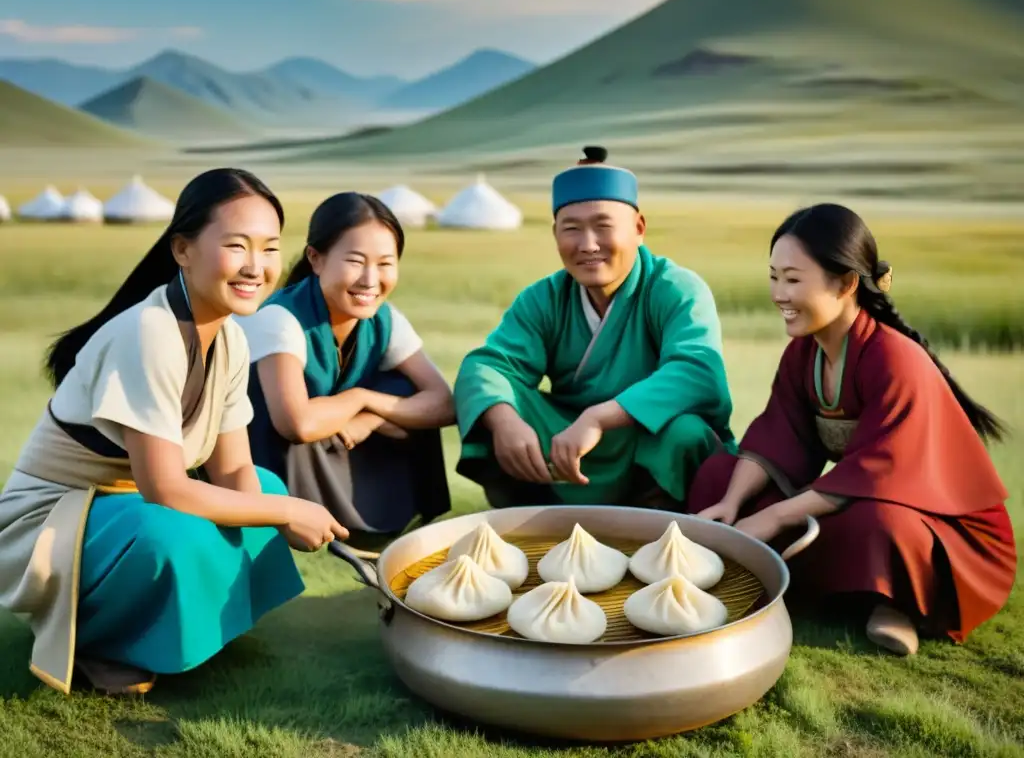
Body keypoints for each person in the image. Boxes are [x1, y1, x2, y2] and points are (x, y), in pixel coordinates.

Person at [0, 168, 348, 697]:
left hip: (125, 510)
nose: (257, 267)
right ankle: (101, 640)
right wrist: (287, 514)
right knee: (175, 531)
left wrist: (272, 512)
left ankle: (200, 619)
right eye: (237, 245)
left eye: (270, 248)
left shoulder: (229, 337)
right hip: (53, 523)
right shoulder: (148, 333)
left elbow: (232, 469)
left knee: (265, 486)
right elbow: (166, 488)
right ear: (182, 250)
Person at [688, 202, 1016, 656]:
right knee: (719, 473)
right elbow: (777, 435)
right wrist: (732, 502)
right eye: (774, 276)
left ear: (845, 284)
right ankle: (791, 577)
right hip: (855, 494)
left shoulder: (894, 358)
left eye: (793, 279)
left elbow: (878, 472)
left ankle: (895, 602)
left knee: (879, 522)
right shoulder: (805, 353)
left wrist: (774, 516)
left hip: (933, 525)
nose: (778, 293)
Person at [453, 146, 735, 508]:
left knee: (686, 433)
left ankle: (664, 533)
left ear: (638, 228)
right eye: (572, 229)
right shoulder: (545, 298)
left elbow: (698, 371)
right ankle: (534, 525)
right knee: (496, 403)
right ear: (555, 233)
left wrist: (600, 418)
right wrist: (505, 420)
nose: (588, 245)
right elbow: (487, 366)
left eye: (603, 227)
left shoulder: (675, 287)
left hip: (643, 441)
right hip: (567, 441)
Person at [238, 192, 453, 537]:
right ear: (316, 258)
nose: (370, 279)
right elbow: (298, 425)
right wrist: (356, 400)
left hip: (333, 445)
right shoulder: (280, 319)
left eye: (385, 263)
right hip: (268, 460)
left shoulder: (384, 318)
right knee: (381, 399)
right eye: (355, 261)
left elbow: (444, 401)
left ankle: (383, 512)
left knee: (404, 388)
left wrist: (370, 410)